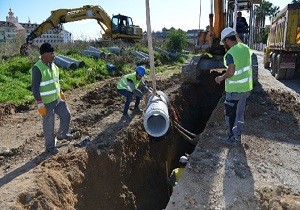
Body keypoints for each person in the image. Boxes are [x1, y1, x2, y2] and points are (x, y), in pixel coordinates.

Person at [30, 43, 73, 155]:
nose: (54, 55)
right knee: (49, 125)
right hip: (46, 102)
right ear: (44, 54)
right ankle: (50, 147)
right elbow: (35, 88)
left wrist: (61, 92)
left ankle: (62, 134)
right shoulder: (37, 68)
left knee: (66, 115)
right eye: (51, 53)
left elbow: (55, 81)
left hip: (57, 99)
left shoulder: (54, 65)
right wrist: (39, 102)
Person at [215, 27, 253, 143]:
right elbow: (240, 43)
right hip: (246, 89)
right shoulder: (246, 49)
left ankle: (232, 137)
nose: (224, 45)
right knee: (240, 113)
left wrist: (221, 77)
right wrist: (235, 34)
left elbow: (231, 71)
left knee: (230, 114)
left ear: (227, 40)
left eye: (224, 43)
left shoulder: (230, 54)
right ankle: (238, 133)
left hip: (234, 90)